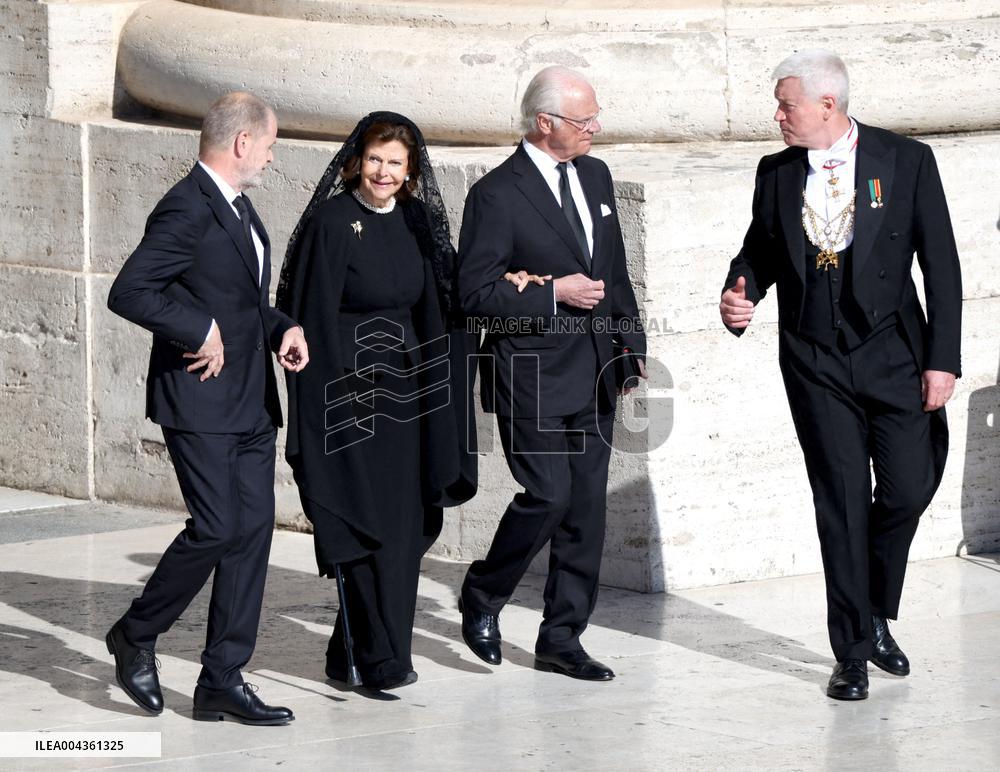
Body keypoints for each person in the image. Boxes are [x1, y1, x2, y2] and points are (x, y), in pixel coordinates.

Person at [720, 50, 962, 700]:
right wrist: (738, 290)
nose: (777, 116)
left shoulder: (904, 161)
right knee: (842, 503)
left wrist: (943, 359)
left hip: (895, 356)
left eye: (786, 104)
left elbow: (940, 264)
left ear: (827, 105)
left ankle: (876, 606)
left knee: (909, 488)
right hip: (814, 360)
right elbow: (759, 251)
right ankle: (852, 651)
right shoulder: (775, 173)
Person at [106, 92, 309, 724]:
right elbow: (130, 290)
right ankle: (135, 634)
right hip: (198, 399)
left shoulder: (239, 207)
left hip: (250, 398)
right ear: (242, 142)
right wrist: (196, 329)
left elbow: (240, 299)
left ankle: (223, 677)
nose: (273, 158)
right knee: (217, 527)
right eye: (271, 144)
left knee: (251, 536)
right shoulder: (185, 208)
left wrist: (280, 329)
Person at [456, 66, 646, 681]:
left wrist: (629, 348)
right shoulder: (496, 195)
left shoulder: (595, 174)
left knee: (586, 510)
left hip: (596, 370)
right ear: (545, 123)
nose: (595, 128)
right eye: (583, 119)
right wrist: (551, 294)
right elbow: (474, 293)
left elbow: (613, 271)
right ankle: (484, 594)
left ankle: (562, 638)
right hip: (531, 371)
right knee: (548, 495)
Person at [276, 112, 478, 691]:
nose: (384, 172)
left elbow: (440, 302)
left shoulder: (415, 220)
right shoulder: (333, 222)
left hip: (407, 399)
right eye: (375, 160)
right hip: (349, 397)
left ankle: (351, 652)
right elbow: (310, 314)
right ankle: (382, 658)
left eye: (396, 162)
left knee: (404, 528)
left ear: (411, 171)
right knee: (361, 522)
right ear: (354, 162)